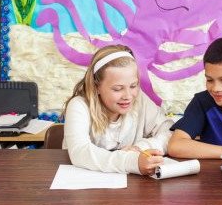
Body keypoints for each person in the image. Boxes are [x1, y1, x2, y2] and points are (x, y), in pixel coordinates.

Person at [62, 45, 174, 175]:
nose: (128, 96)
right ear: (96, 86)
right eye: (117, 89)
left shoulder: (140, 100)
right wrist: (131, 161)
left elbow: (170, 132)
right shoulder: (79, 106)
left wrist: (140, 148)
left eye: (133, 86)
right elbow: (80, 152)